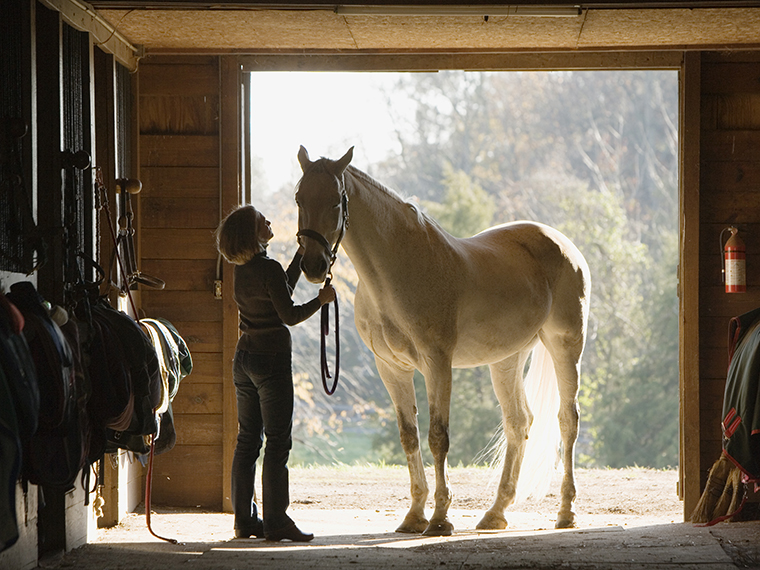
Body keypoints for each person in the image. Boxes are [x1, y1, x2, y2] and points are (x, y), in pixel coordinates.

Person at [215, 204, 335, 542]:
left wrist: (299, 256)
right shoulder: (267, 268)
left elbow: (281, 290)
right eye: (261, 221)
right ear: (253, 233)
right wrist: (321, 300)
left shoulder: (244, 270)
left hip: (245, 358)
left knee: (247, 440)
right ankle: (277, 521)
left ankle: (244, 521)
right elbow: (290, 314)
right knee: (278, 442)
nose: (268, 222)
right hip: (272, 360)